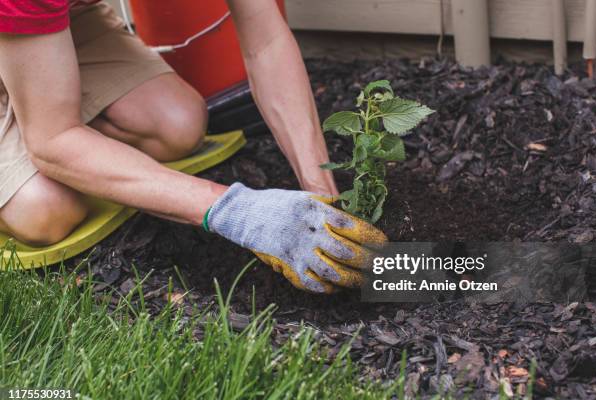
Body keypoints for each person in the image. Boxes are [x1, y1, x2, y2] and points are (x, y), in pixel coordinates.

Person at [0, 0, 386, 293]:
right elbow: (52, 141)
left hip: (47, 25)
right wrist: (240, 212)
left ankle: (38, 95)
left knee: (177, 124)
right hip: (23, 15)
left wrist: (319, 190)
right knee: (45, 210)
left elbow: (266, 41)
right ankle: (34, 104)